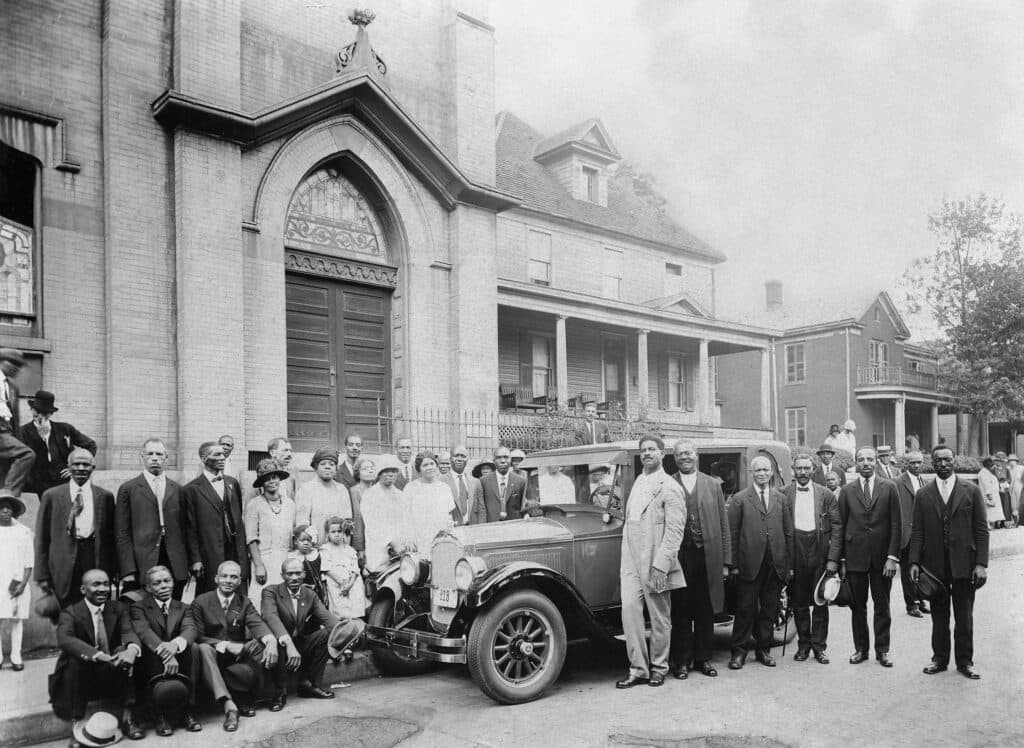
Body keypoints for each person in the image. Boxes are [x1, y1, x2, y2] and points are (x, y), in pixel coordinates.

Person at [910, 446, 989, 680]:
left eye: (947, 459)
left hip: (965, 563)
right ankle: (939, 659)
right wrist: (914, 561)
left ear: (954, 461)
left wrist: (981, 564)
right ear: (932, 464)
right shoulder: (923, 494)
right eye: (938, 460)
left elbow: (981, 530)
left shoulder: (971, 491)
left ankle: (965, 662)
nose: (943, 464)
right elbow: (918, 532)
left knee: (964, 616)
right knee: (939, 616)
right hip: (935, 566)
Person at [616, 435, 685, 688]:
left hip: (655, 559)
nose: (647, 453)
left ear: (662, 454)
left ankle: (659, 667)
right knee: (630, 611)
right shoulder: (638, 481)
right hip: (631, 559)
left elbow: (675, 531)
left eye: (652, 450)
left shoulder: (670, 486)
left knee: (659, 616)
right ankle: (638, 669)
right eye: (643, 450)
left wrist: (662, 564)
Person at [49, 569, 144, 739]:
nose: (103, 589)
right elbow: (65, 639)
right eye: (96, 584)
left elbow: (128, 631)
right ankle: (78, 723)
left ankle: (128, 718)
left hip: (111, 672)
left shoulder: (118, 608)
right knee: (73, 660)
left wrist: (131, 650)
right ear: (83, 590)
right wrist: (98, 655)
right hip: (81, 675)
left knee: (124, 654)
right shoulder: (70, 612)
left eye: (106, 584)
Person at [261, 557, 364, 711]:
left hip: (299, 643)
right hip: (279, 644)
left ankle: (309, 684)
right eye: (289, 574)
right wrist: (288, 643)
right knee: (278, 642)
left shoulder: (309, 594)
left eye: (298, 573)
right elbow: (271, 617)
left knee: (326, 634)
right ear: (282, 575)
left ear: (304, 574)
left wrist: (347, 635)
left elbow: (327, 618)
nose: (294, 578)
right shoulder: (270, 591)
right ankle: (279, 692)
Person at [667, 440, 731, 679]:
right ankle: (682, 661)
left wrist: (726, 561)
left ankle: (703, 659)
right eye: (680, 454)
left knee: (705, 609)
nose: (684, 457)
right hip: (679, 555)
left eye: (688, 453)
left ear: (696, 455)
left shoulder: (713, 484)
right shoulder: (667, 483)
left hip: (708, 554)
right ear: (675, 459)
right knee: (680, 609)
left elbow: (724, 525)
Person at [190, 560, 277, 731]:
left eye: (233, 577)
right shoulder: (201, 601)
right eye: (224, 576)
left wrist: (271, 641)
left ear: (239, 581)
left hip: (235, 658)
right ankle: (229, 705)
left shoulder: (244, 602)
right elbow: (197, 635)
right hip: (210, 659)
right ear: (216, 578)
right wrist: (224, 644)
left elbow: (257, 624)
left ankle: (264, 695)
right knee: (203, 648)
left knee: (262, 644)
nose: (228, 581)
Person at [727, 456, 793, 670]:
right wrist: (733, 564)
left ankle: (763, 650)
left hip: (775, 563)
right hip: (748, 564)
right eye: (758, 471)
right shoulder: (740, 499)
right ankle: (738, 653)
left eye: (766, 470)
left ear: (772, 472)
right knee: (745, 609)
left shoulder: (780, 498)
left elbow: (788, 532)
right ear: (752, 473)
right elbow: (733, 534)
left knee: (769, 610)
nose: (762, 474)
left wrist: (788, 564)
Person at [837, 446, 901, 667]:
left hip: (882, 560)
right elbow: (841, 526)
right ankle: (861, 649)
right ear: (855, 463)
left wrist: (892, 557)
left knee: (882, 605)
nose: (866, 463)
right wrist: (842, 560)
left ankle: (882, 650)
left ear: (877, 462)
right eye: (861, 459)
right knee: (858, 606)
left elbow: (896, 524)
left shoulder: (890, 488)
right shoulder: (846, 491)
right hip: (855, 559)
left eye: (870, 459)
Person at [35, 448, 116, 608]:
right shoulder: (52, 496)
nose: (81, 468)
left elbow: (111, 536)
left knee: (93, 607)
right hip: (63, 562)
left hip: (93, 557)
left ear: (93, 468)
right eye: (76, 464)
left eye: (86, 464)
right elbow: (42, 537)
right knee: (66, 612)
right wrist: (42, 574)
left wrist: (113, 570)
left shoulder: (104, 496)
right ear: (68, 467)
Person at [128, 565, 203, 736]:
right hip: (153, 658)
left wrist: (174, 646)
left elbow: (190, 629)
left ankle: (188, 710)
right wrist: (165, 652)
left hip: (179, 658)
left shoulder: (183, 607)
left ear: (173, 583)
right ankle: (159, 714)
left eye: (167, 581)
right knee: (146, 649)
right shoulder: (138, 607)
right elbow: (143, 632)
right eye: (157, 583)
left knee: (195, 648)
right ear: (148, 587)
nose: (163, 586)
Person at [784, 454, 841, 664]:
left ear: (812, 469)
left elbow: (837, 527)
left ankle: (819, 647)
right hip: (796, 549)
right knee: (798, 603)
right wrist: (786, 563)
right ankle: (803, 646)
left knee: (820, 601)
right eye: (798, 468)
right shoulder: (784, 494)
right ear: (793, 470)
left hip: (819, 550)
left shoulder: (826, 494)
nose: (802, 472)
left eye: (807, 468)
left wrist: (833, 559)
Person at [115, 438, 189, 598]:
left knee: (172, 610)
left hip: (173, 560)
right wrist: (128, 569)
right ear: (142, 457)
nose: (154, 458)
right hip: (142, 561)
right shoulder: (129, 489)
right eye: (150, 454)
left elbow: (186, 529)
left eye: (159, 454)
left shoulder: (178, 489)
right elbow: (122, 532)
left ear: (166, 458)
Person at [182, 441, 247, 594]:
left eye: (223, 454)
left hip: (234, 549)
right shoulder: (191, 489)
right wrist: (195, 559)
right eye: (216, 454)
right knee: (211, 592)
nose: (222, 457)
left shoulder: (232, 483)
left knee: (237, 590)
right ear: (204, 458)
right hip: (210, 550)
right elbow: (190, 528)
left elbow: (237, 516)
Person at [19, 390, 97, 497]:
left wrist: (74, 467)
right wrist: (41, 438)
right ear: (32, 410)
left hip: (64, 481)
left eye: (45, 413)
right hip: (39, 485)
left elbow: (90, 445)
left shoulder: (64, 429)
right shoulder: (23, 432)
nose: (40, 416)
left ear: (51, 413)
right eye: (37, 411)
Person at [244, 458, 296, 608]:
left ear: (279, 479)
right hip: (264, 559)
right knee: (263, 599)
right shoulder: (254, 505)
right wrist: (259, 565)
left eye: (274, 477)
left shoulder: (290, 504)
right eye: (267, 479)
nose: (272, 481)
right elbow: (251, 538)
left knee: (285, 601)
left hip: (285, 557)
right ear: (261, 483)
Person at [294, 447, 363, 557]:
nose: (327, 467)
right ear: (316, 467)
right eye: (323, 464)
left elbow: (347, 522)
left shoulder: (341, 489)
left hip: (339, 549)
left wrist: (345, 548)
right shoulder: (306, 490)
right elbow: (302, 523)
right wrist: (312, 547)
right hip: (315, 550)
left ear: (336, 468)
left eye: (331, 464)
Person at [360, 455, 414, 572]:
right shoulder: (370, 495)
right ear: (379, 473)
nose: (391, 474)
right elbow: (372, 525)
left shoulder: (400, 495)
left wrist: (408, 540)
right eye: (386, 471)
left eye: (394, 471)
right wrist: (392, 542)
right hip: (380, 550)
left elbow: (407, 520)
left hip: (401, 550)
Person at [0, 493, 32, 671]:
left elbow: (29, 561)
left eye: (8, 506)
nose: (5, 510)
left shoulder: (23, 531)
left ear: (13, 510)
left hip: (16, 581)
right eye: (1, 506)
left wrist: (22, 583)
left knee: (17, 619)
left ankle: (16, 656)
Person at [896, 451, 929, 618]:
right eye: (913, 463)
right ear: (906, 464)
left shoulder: (924, 481)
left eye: (919, 462)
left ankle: (921, 600)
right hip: (906, 534)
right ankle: (911, 604)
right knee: (908, 570)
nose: (916, 465)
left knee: (922, 569)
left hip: (922, 534)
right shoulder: (897, 482)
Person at [0, 348, 35, 500]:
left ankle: (5, 503)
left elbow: (16, 419)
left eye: (19, 365)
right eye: (12, 363)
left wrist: (17, 439)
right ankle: (9, 495)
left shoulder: (13, 387)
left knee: (5, 472)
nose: (16, 368)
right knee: (27, 454)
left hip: (7, 432)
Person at [404, 452, 456, 553]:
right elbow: (406, 518)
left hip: (440, 540)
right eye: (425, 465)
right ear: (419, 469)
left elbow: (449, 516)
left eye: (432, 464)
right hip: (419, 540)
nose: (429, 467)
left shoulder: (444, 488)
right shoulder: (410, 488)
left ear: (436, 466)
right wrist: (409, 539)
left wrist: (449, 535)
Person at [320, 517, 366, 618]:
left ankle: (355, 619)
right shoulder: (326, 549)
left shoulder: (349, 550)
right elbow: (327, 569)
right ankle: (341, 620)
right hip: (336, 580)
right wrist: (341, 582)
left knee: (357, 586)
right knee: (338, 601)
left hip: (350, 581)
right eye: (333, 532)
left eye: (339, 531)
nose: (337, 534)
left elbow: (355, 569)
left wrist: (350, 583)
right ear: (328, 534)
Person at [477, 446, 527, 522]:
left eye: (506, 457)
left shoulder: (521, 481)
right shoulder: (483, 481)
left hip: (514, 527)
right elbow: (480, 509)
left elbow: (524, 508)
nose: (502, 461)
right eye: (498, 458)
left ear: (510, 460)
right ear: (494, 461)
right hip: (491, 527)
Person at [288, 524, 329, 606]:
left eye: (308, 540)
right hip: (300, 592)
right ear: (296, 541)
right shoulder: (292, 557)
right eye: (302, 540)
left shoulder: (318, 554)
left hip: (317, 592)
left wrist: (325, 594)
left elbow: (323, 577)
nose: (306, 543)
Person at [441, 446, 482, 526]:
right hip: (451, 530)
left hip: (473, 528)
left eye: (463, 456)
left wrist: (481, 528)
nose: (460, 459)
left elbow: (481, 510)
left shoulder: (475, 482)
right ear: (450, 459)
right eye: (456, 456)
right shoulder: (441, 481)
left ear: (467, 459)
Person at [977, 456, 1004, 530]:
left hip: (994, 493)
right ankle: (987, 524)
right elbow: (986, 485)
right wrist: (989, 495)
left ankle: (992, 523)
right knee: (988, 509)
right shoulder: (983, 473)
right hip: (988, 494)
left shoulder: (988, 472)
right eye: (991, 465)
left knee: (992, 509)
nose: (992, 467)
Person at [993, 452, 1013, 528]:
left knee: (1005, 506)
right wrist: (998, 484)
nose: (999, 463)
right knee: (997, 505)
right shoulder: (993, 469)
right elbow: (991, 479)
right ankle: (995, 522)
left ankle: (1003, 522)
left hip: (1005, 490)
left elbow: (1009, 479)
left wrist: (1006, 483)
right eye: (998, 461)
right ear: (995, 461)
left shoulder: (1006, 470)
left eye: (1001, 461)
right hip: (996, 490)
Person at [1008, 454, 1024, 525]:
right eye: (1010, 460)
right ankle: (1015, 521)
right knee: (1013, 504)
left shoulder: (1021, 468)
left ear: (1016, 461)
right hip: (1010, 488)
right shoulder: (1008, 469)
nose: (1012, 462)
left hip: (1020, 487)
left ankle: (1020, 520)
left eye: (1013, 460)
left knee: (1020, 503)